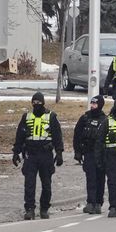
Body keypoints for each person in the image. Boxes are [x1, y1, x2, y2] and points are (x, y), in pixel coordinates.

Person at [13, 92, 64, 220]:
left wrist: (59, 153)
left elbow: (58, 136)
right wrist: (16, 152)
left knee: (46, 184)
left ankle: (44, 208)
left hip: (46, 154)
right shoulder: (26, 117)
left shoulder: (51, 117)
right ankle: (29, 209)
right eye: (34, 102)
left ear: (43, 103)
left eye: (38, 102)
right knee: (29, 183)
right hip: (30, 154)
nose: (36, 105)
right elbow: (19, 136)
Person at [73, 95, 108, 214]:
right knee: (90, 178)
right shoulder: (85, 118)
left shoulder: (105, 120)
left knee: (100, 178)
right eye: (92, 103)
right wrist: (77, 151)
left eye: (95, 104)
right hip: (88, 152)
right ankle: (90, 202)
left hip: (101, 154)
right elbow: (77, 135)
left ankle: (98, 203)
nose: (93, 106)